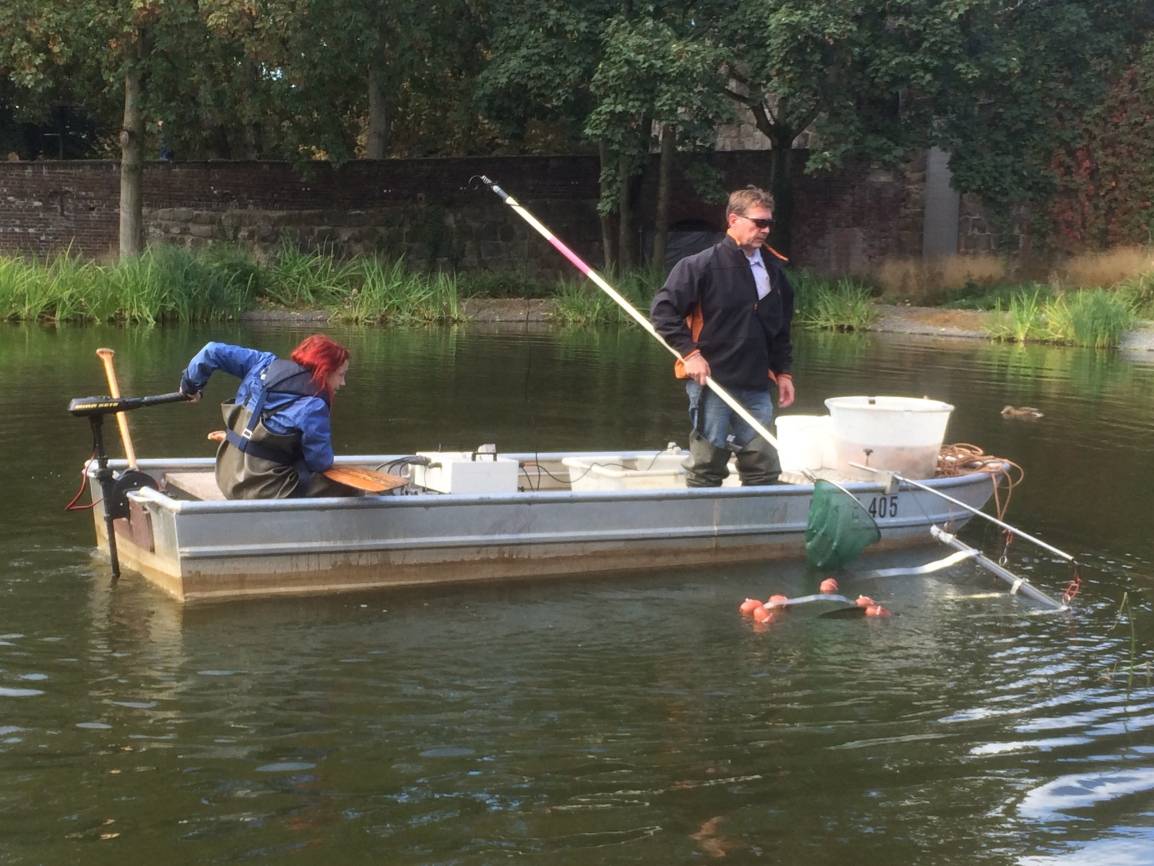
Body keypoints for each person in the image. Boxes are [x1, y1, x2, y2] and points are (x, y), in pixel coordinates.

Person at [649, 185, 796, 487]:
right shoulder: (699, 266)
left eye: (769, 223)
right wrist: (691, 354)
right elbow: (663, 312)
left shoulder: (775, 272)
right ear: (733, 220)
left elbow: (780, 328)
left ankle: (760, 524)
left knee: (764, 464)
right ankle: (702, 522)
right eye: (759, 222)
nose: (766, 230)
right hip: (711, 382)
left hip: (756, 383)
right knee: (708, 463)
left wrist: (784, 373)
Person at [178, 334, 356, 499]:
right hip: (258, 487)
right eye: (340, 374)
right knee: (349, 489)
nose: (343, 382)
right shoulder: (314, 405)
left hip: (225, 473)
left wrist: (190, 386)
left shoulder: (264, 363)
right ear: (324, 370)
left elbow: (212, 350)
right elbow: (320, 462)